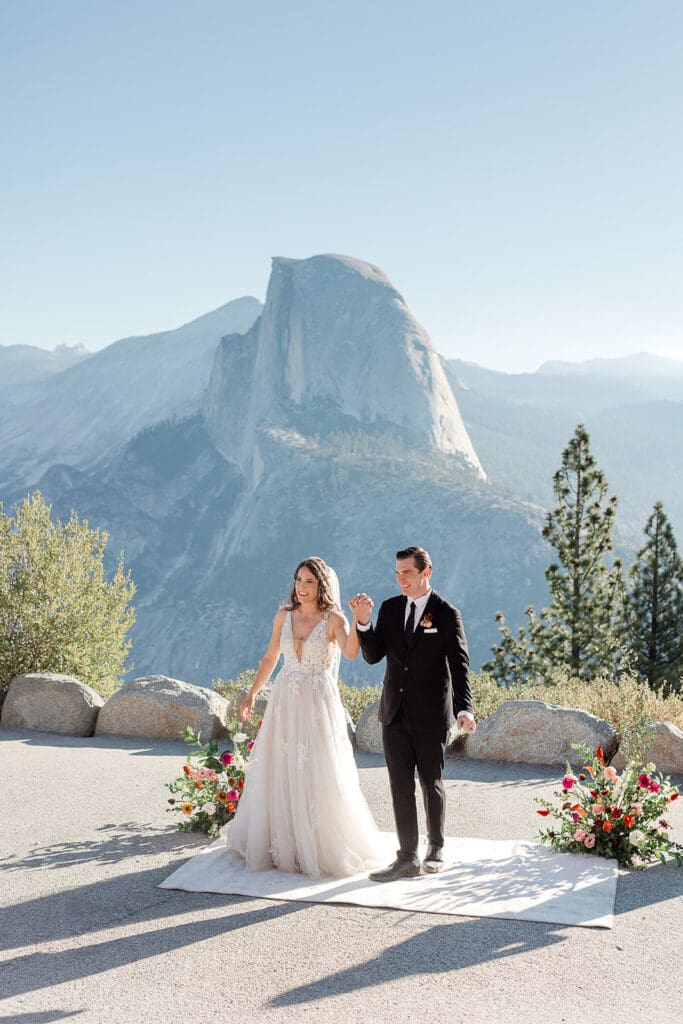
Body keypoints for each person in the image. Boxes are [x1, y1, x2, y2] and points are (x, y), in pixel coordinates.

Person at [226, 557, 383, 878]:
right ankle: (282, 842)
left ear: (321, 585)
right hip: (285, 698)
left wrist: (357, 620)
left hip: (317, 702)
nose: (302, 586)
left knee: (317, 766)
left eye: (309, 581)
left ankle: (318, 844)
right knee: (280, 765)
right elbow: (271, 656)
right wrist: (253, 692)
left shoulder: (332, 618)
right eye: (299, 580)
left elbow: (351, 652)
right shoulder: (284, 615)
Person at [351, 546, 476, 882]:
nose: (400, 579)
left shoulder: (446, 613)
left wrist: (465, 708)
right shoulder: (391, 609)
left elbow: (459, 665)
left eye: (407, 572)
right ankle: (406, 857)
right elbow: (374, 655)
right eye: (397, 573)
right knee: (399, 786)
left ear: (426, 572)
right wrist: (364, 623)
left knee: (431, 782)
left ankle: (436, 847)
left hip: (431, 715)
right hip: (393, 713)